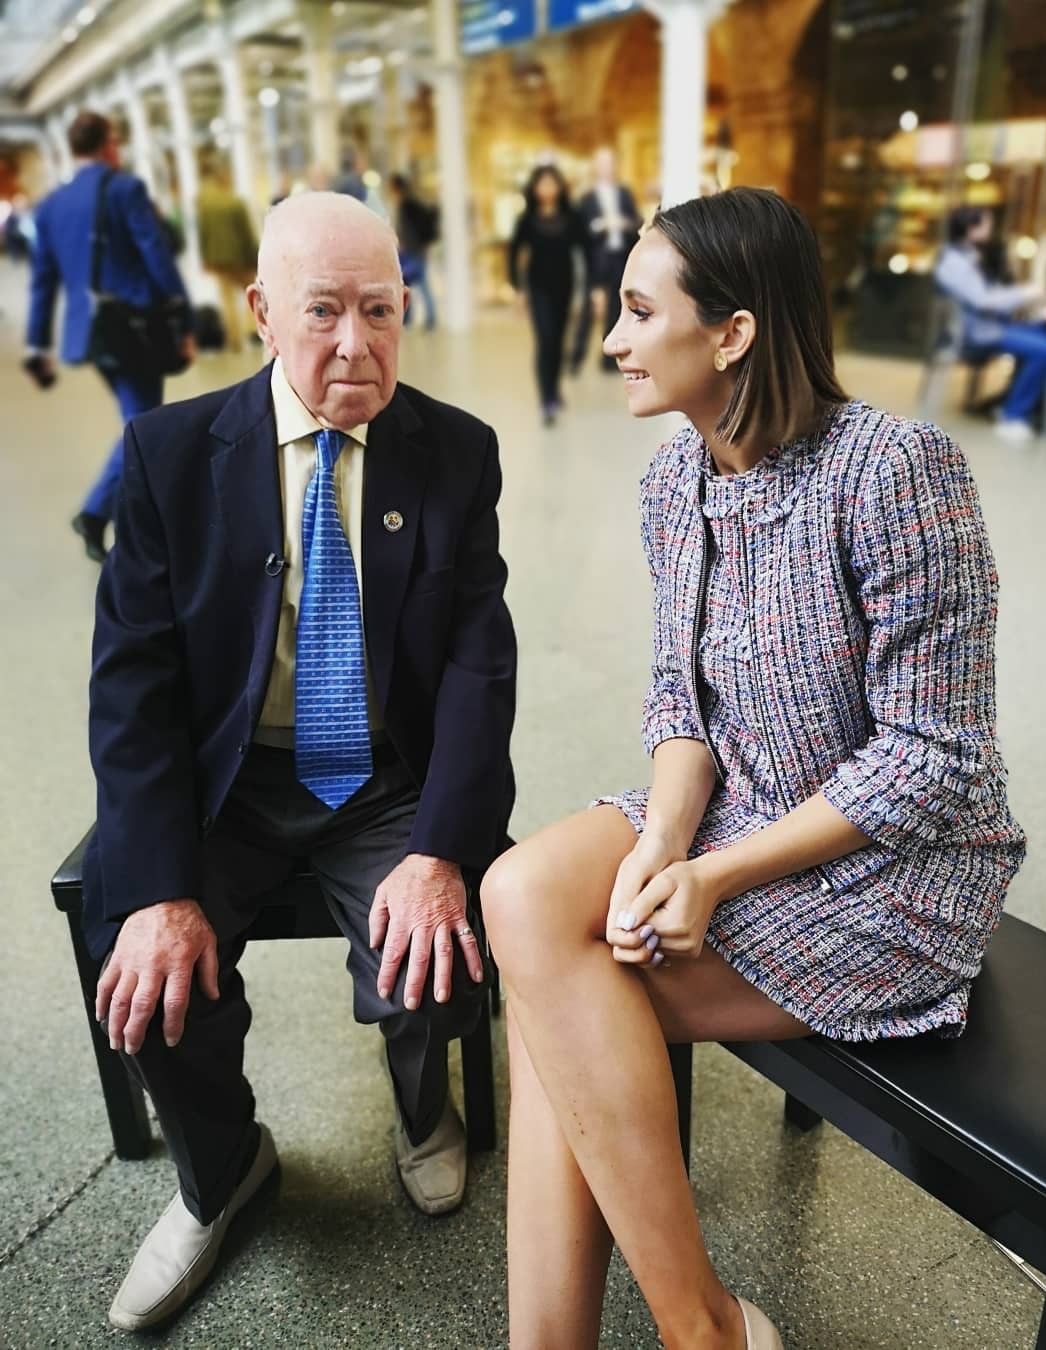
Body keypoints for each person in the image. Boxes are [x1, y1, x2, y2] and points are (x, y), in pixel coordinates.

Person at [481, 187, 1025, 1350]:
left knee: (563, 996)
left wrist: (713, 879)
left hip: (896, 873)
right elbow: (682, 703)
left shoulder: (896, 469)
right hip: (734, 812)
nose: (614, 339)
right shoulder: (674, 482)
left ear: (731, 333)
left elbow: (936, 757)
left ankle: (699, 1329)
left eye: (638, 311)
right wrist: (669, 847)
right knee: (520, 895)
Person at [88, 192, 517, 1331]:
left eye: (379, 310)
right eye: (322, 310)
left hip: (382, 776)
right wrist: (158, 887)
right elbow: (131, 687)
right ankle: (220, 1170)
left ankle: (426, 1114)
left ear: (407, 307)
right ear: (262, 313)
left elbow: (480, 677)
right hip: (228, 782)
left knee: (441, 926)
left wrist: (439, 852)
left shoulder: (455, 453)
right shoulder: (170, 455)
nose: (354, 344)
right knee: (135, 943)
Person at [24, 111, 194, 562]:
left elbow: (43, 282)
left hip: (90, 334)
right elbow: (156, 255)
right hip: (131, 326)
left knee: (138, 421)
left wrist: (37, 346)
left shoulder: (51, 205)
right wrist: (183, 320)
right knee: (141, 427)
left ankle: (128, 517)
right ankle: (98, 512)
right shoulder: (124, 189)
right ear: (108, 144)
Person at [934, 205, 1046, 442]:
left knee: (1043, 333)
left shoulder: (969, 256)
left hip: (989, 327)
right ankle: (1013, 415)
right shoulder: (955, 262)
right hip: (978, 334)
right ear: (971, 228)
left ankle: (1008, 401)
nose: (991, 229)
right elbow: (983, 300)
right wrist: (1025, 294)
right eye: (986, 224)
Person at [508, 164, 587, 426]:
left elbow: (586, 248)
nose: (547, 188)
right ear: (535, 188)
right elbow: (513, 252)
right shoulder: (527, 219)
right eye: (542, 183)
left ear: (560, 187)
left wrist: (592, 287)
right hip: (538, 288)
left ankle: (554, 388)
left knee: (559, 341)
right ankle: (546, 399)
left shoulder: (572, 217)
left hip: (565, 286)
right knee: (545, 339)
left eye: (552, 183)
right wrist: (518, 289)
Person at [570, 147, 642, 374]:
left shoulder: (624, 193)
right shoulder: (587, 197)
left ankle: (609, 359)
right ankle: (576, 357)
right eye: (602, 163)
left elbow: (636, 220)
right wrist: (600, 226)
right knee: (588, 311)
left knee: (616, 308)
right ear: (596, 167)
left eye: (609, 163)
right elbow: (581, 231)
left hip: (620, 258)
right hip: (597, 260)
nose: (606, 168)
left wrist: (624, 223)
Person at [196, 152, 259, 352]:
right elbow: (247, 235)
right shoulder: (235, 202)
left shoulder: (204, 204)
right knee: (252, 293)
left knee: (227, 299)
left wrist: (205, 257)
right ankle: (252, 330)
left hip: (217, 259)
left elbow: (203, 233)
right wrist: (255, 257)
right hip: (240, 258)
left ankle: (233, 339)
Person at [387, 172, 438, 330]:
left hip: (412, 251)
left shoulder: (409, 204)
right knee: (411, 284)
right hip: (411, 251)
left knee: (418, 285)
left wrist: (416, 244)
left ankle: (426, 319)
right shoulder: (407, 203)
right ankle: (411, 319)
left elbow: (414, 228)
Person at [332, 144, 389, 218]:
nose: (365, 165)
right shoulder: (354, 183)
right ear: (356, 163)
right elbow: (367, 206)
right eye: (363, 161)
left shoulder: (337, 179)